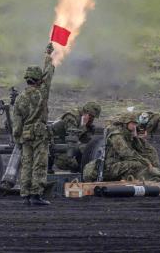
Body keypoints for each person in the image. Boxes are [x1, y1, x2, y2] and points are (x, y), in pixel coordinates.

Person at [12, 43, 55, 206]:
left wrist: (18, 137)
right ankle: (36, 195)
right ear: (38, 79)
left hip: (25, 135)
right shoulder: (41, 93)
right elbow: (49, 73)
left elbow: (17, 122)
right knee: (40, 164)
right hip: (39, 134)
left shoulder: (20, 98)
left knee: (26, 164)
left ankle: (25, 195)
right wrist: (48, 56)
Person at [49, 101, 102, 172]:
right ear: (86, 113)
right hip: (56, 147)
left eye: (93, 117)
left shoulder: (84, 121)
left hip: (67, 146)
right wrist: (83, 126)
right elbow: (73, 137)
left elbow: (86, 141)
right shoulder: (71, 117)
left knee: (84, 153)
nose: (92, 120)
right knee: (72, 164)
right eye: (91, 116)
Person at [102, 112, 155, 181]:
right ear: (125, 123)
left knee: (145, 161)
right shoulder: (117, 135)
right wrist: (145, 161)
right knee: (139, 165)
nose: (134, 126)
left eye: (135, 124)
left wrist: (136, 137)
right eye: (133, 123)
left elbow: (142, 149)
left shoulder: (127, 134)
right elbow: (126, 153)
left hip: (119, 164)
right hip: (110, 167)